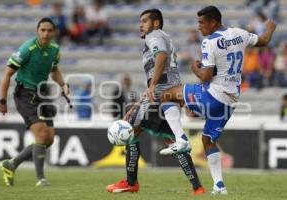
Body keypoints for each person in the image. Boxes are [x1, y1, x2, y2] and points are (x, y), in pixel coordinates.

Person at [159, 6, 276, 194]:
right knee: (208, 140)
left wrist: (194, 68)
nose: (199, 27)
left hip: (214, 96)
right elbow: (263, 40)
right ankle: (219, 186)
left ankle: (181, 140)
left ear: (213, 22)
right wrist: (269, 28)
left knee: (166, 95)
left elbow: (205, 76)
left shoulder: (210, 42)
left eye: (201, 23)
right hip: (230, 102)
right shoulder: (239, 33)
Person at [106, 9, 205, 195]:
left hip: (159, 96)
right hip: (166, 96)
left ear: (156, 23)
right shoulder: (161, 37)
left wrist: (151, 87)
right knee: (173, 141)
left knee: (130, 130)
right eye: (140, 21)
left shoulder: (154, 36)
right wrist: (138, 103)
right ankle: (197, 187)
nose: (140, 25)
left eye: (144, 21)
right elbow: (158, 75)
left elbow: (161, 57)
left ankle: (130, 182)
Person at [0, 17, 69, 187]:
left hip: (42, 94)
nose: (46, 33)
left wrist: (63, 84)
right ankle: (41, 178)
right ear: (37, 31)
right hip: (25, 94)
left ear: (54, 32)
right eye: (42, 30)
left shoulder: (55, 50)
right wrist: (2, 100)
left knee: (49, 139)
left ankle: (11, 164)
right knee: (42, 135)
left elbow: (54, 71)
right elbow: (7, 74)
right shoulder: (26, 49)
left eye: (49, 30)